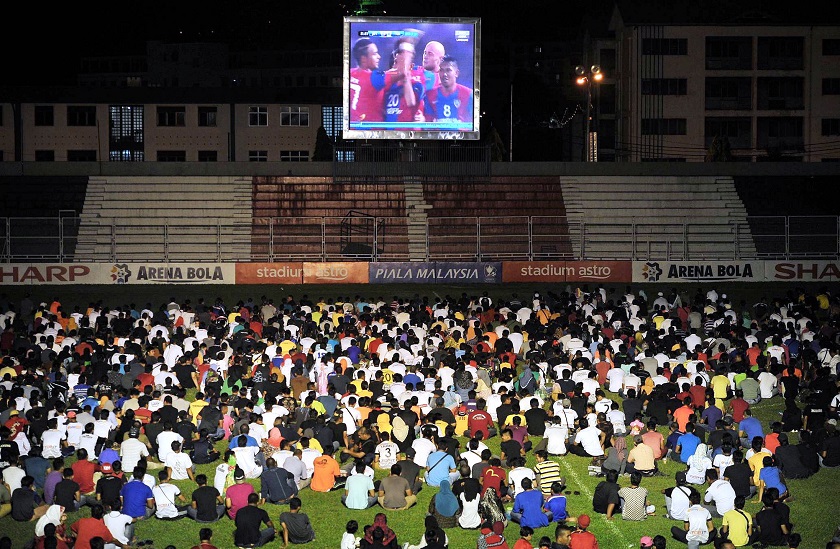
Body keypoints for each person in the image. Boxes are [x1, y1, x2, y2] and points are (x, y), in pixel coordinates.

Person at [383, 36, 425, 124]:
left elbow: (411, 102)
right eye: (396, 62)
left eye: (403, 62)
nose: (398, 66)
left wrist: (405, 76)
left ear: (411, 66)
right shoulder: (385, 86)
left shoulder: (417, 85)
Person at [423, 56, 473, 124]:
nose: (444, 74)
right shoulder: (430, 95)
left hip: (461, 134)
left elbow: (473, 123)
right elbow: (427, 124)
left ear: (456, 73)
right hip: (437, 134)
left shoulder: (468, 94)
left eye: (448, 70)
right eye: (441, 70)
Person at [349, 38, 388, 123]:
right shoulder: (375, 77)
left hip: (352, 128)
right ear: (363, 59)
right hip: (373, 132)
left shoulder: (348, 73)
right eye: (375, 54)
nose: (379, 56)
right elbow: (402, 73)